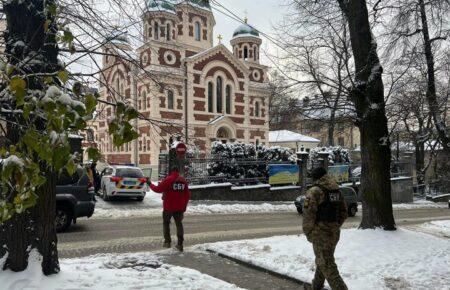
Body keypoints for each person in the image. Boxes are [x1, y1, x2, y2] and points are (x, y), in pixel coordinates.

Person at [303, 167, 348, 290]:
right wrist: (334, 226)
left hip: (320, 234)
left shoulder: (315, 191)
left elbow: (308, 214)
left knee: (327, 264)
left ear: (315, 178)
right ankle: (315, 287)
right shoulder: (336, 190)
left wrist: (308, 232)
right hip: (333, 233)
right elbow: (344, 212)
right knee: (323, 260)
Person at [148, 166, 190, 252]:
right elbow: (187, 195)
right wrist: (184, 206)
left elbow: (158, 189)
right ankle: (180, 244)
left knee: (166, 223)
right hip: (179, 207)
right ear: (178, 171)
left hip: (168, 207)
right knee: (179, 224)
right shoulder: (183, 181)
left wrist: (149, 183)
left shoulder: (168, 179)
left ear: (171, 171)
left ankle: (167, 242)